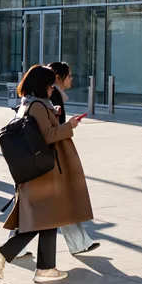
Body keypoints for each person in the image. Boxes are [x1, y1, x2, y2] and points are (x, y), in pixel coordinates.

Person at [0, 65, 92, 283]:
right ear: (43, 85)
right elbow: (49, 135)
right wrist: (69, 125)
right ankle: (3, 254)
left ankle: (45, 268)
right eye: (50, 85)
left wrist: (54, 114)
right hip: (45, 171)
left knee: (49, 219)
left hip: (39, 169)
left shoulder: (30, 103)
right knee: (47, 219)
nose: (52, 89)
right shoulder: (38, 106)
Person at [48, 62, 101, 254]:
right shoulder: (51, 96)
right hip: (51, 157)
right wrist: (69, 125)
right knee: (56, 201)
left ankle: (80, 242)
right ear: (59, 78)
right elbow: (53, 129)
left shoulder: (53, 96)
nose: (72, 79)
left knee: (51, 202)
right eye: (69, 75)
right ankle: (79, 243)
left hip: (50, 155)